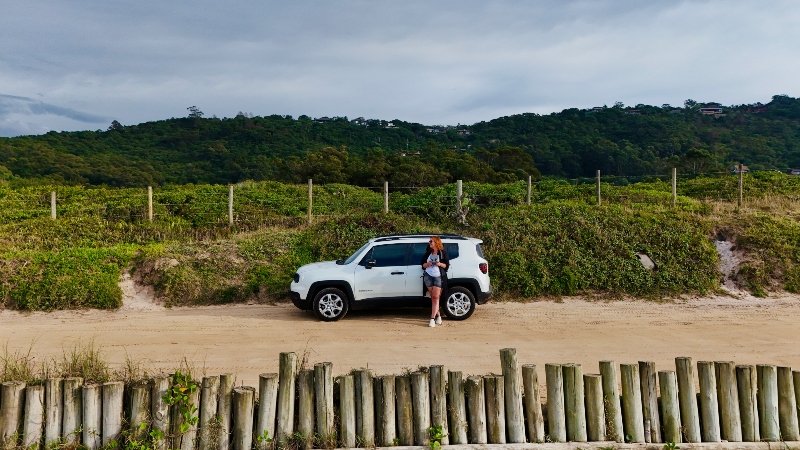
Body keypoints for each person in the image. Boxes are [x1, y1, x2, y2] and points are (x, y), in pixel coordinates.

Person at [420, 236, 449, 327]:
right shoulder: (428, 253)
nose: (429, 243)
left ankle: (432, 318)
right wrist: (427, 264)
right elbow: (422, 265)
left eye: (431, 241)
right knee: (433, 297)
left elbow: (446, 266)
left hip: (438, 276)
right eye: (429, 241)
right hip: (428, 276)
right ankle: (439, 316)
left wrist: (439, 264)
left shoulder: (442, 253)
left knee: (436, 297)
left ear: (436, 242)